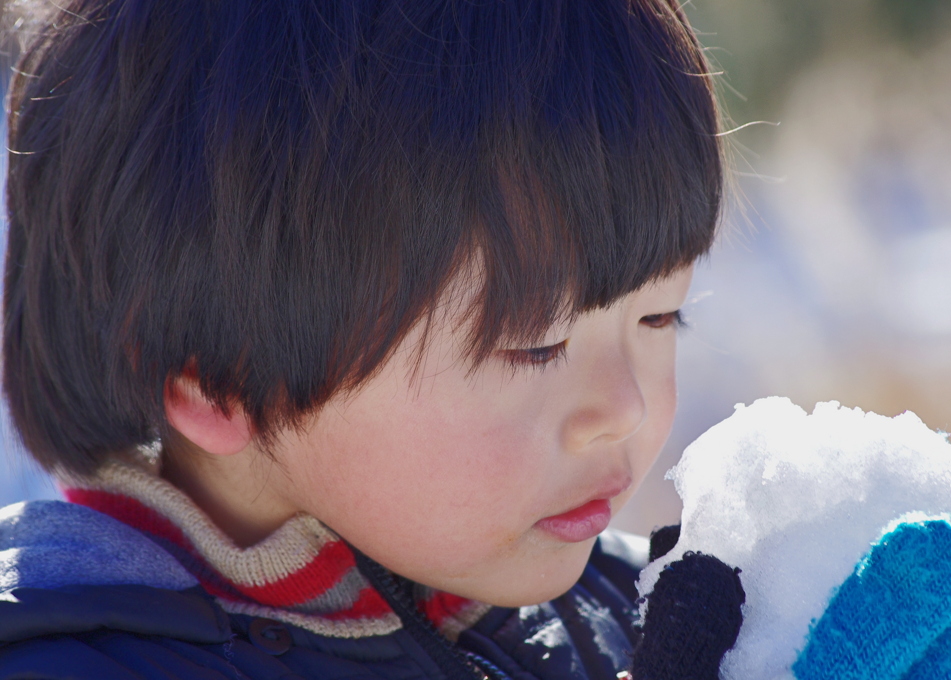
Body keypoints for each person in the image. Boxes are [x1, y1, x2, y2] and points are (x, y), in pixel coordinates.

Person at [0, 0, 734, 677]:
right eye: (534, 345)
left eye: (659, 316)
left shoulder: (630, 608)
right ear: (219, 377)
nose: (624, 408)